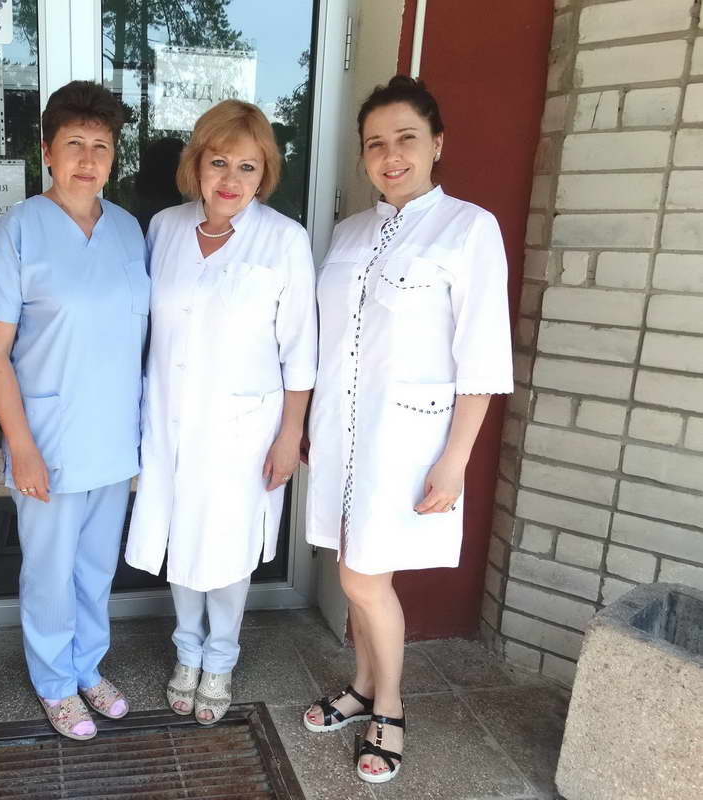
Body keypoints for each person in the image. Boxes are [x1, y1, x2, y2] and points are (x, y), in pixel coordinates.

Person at [302, 76, 513, 784]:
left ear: (436, 144)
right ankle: (363, 685)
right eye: (375, 144)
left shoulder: (467, 229)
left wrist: (456, 459)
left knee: (363, 575)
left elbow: (481, 356)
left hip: (408, 440)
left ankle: (388, 706)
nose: (390, 156)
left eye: (406, 139)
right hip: (342, 432)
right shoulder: (349, 233)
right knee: (354, 566)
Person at [126, 100, 317, 725]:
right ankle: (186, 651)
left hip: (244, 428)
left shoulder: (284, 239)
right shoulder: (165, 228)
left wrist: (290, 434)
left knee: (228, 544)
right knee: (182, 535)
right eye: (218, 162)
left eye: (246, 166)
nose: (230, 178)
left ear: (265, 173)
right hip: (169, 418)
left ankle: (222, 659)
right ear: (196, 166)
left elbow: (301, 348)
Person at [0, 80, 148, 740]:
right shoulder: (19, 230)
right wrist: (19, 446)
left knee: (96, 567)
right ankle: (53, 682)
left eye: (101, 145)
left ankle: (87, 666)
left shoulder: (128, 230)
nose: (87, 159)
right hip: (48, 436)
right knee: (49, 571)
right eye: (74, 143)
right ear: (46, 151)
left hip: (113, 436)